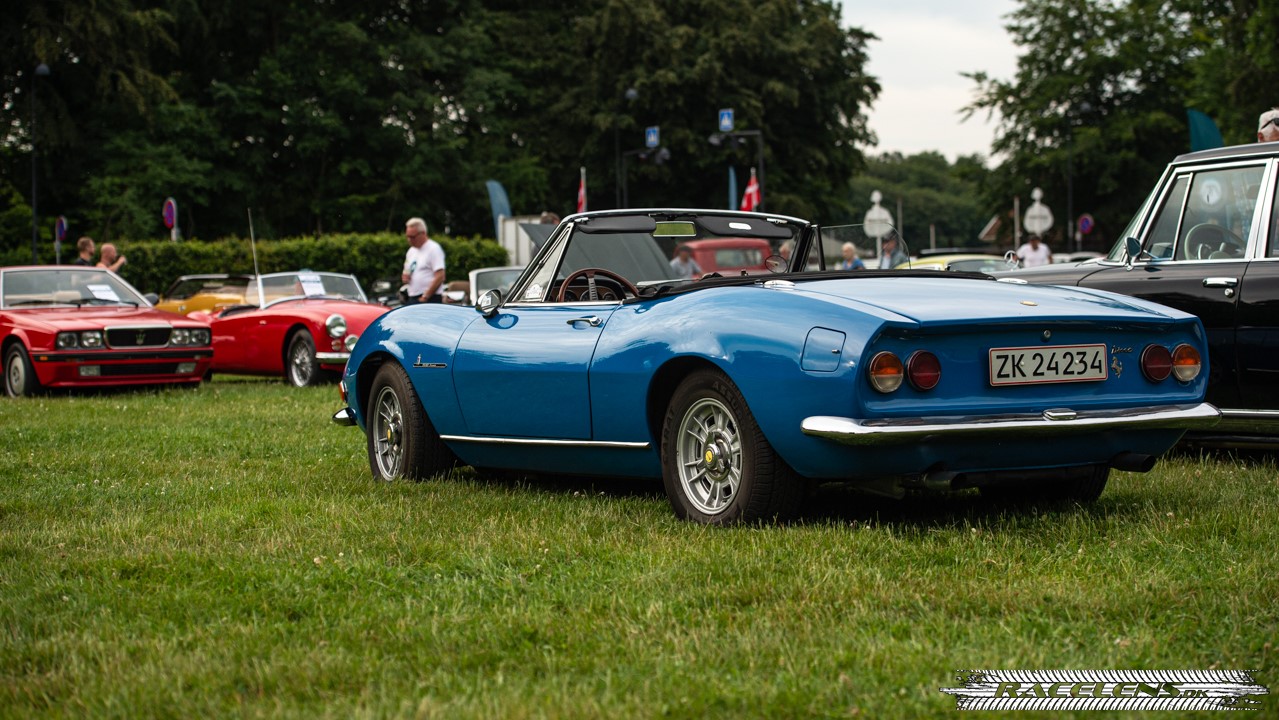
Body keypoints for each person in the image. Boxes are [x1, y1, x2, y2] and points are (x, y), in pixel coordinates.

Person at [402, 217, 446, 304]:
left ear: (423, 233)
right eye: (407, 237)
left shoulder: (433, 249)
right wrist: (405, 277)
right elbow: (406, 271)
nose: (409, 240)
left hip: (429, 298)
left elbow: (440, 276)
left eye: (412, 237)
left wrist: (425, 296)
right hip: (413, 296)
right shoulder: (411, 251)